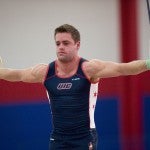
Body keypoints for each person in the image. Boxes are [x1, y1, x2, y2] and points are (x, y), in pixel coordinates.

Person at [0, 24, 150, 150]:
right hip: (58, 138)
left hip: (84, 137)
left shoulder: (89, 69)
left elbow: (124, 69)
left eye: (66, 43)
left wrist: (147, 63)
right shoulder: (46, 72)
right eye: (58, 43)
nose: (60, 47)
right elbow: (16, 74)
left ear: (77, 45)